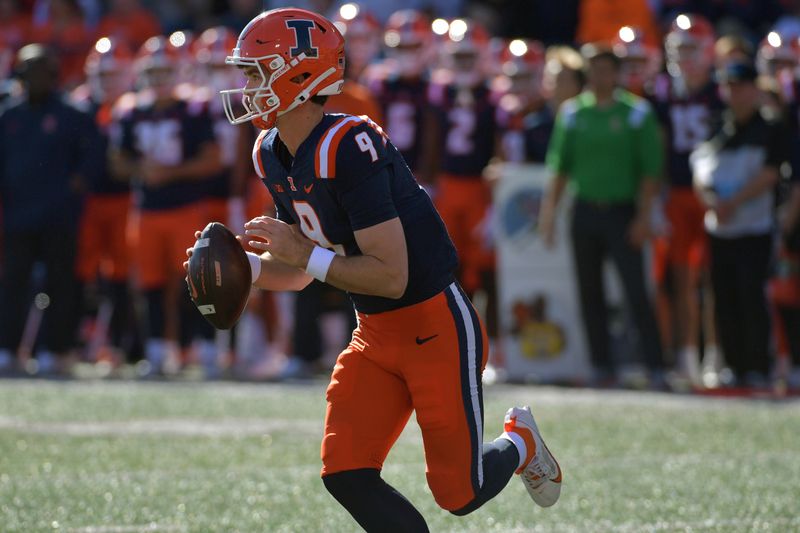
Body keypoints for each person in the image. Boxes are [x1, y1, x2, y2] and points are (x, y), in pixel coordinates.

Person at [195, 8, 562, 530]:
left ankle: (520, 441)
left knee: (459, 493)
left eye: (257, 72)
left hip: (434, 326)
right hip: (374, 331)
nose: (247, 86)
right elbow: (302, 269)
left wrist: (304, 255)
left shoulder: (350, 145)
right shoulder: (270, 152)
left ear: (299, 75)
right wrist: (250, 268)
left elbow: (389, 275)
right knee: (345, 471)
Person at [540, 43, 665, 387]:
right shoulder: (572, 113)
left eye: (606, 69)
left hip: (622, 211)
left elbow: (651, 172)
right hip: (584, 210)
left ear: (617, 73)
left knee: (636, 291)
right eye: (594, 69)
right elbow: (559, 169)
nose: (600, 76)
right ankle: (601, 364)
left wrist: (643, 217)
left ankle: (655, 365)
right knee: (589, 291)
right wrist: (548, 215)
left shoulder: (636, 113)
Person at [113, 35, 222, 376]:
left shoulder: (195, 107)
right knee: (150, 283)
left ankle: (205, 349)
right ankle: (158, 350)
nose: (159, 80)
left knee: (198, 281)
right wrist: (141, 171)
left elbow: (212, 159)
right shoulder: (130, 110)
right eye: (154, 72)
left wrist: (170, 173)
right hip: (146, 210)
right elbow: (116, 161)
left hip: (186, 207)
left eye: (165, 72)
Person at [0, 44, 99, 374]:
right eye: (29, 71)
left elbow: (92, 160)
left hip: (59, 216)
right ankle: (9, 348)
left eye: (41, 71)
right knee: (14, 284)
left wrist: (74, 186)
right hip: (18, 216)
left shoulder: (72, 114)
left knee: (61, 285)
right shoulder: (9, 116)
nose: (34, 79)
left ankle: (57, 350)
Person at [691, 61, 790, 388]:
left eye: (740, 85)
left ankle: (759, 365)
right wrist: (711, 201)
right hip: (719, 226)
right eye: (728, 86)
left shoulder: (771, 126)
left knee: (752, 294)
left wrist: (733, 202)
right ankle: (733, 365)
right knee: (723, 296)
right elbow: (700, 170)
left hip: (755, 226)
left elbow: (770, 174)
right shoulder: (716, 125)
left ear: (754, 88)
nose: (734, 93)